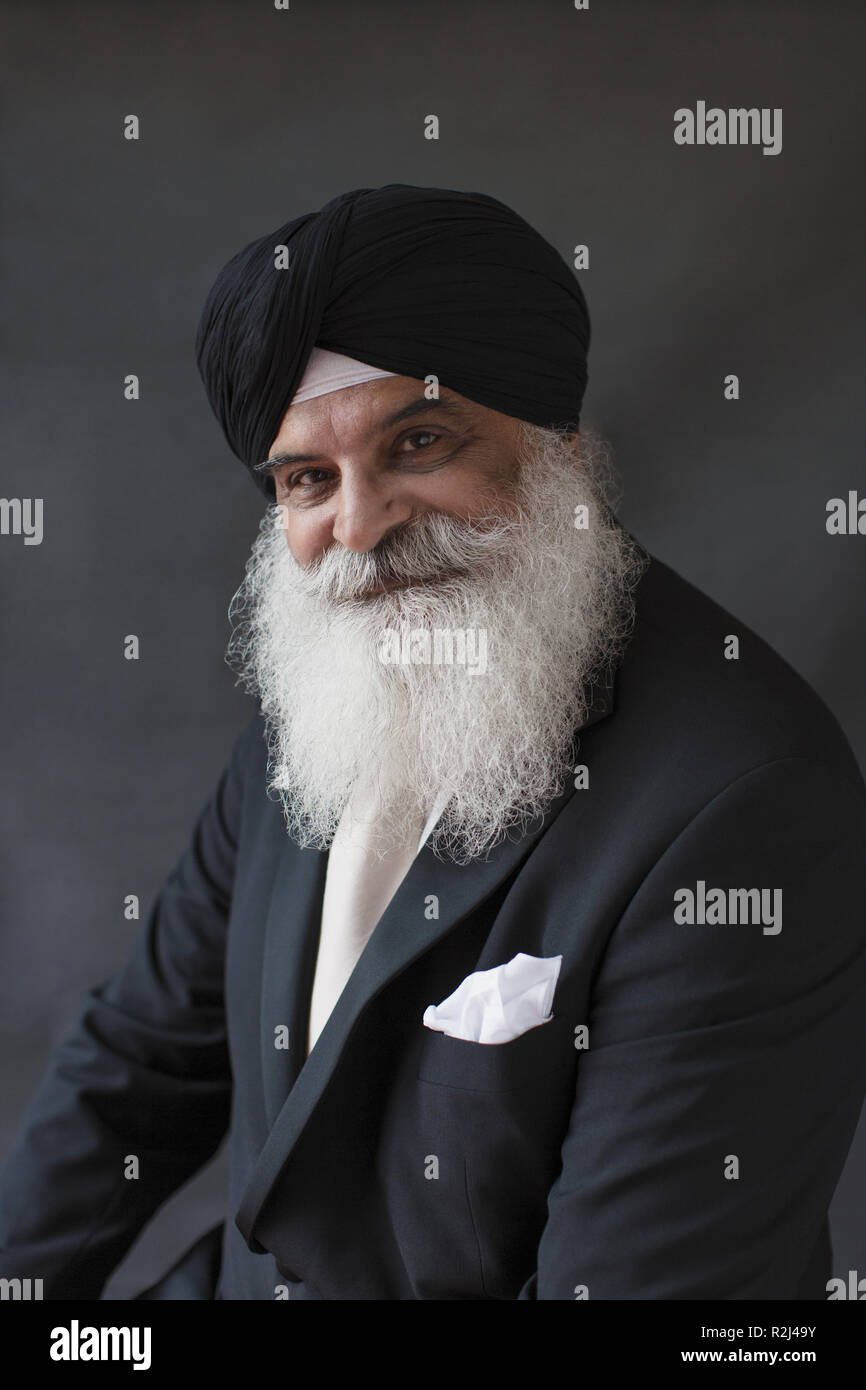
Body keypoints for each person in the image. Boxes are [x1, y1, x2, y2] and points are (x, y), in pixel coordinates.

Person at [1, 184, 864, 1301]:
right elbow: (136, 1062)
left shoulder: (747, 804)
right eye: (307, 479)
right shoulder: (320, 704)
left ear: (550, 439)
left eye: (416, 440)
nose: (359, 527)